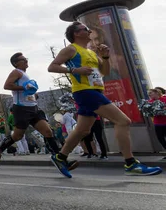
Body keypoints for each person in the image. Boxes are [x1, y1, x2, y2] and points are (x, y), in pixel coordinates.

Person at [48, 22, 162, 177]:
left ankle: (60, 157)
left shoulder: (91, 52)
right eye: (85, 29)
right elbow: (52, 67)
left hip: (95, 90)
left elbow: (105, 72)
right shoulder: (71, 49)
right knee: (123, 121)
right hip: (85, 91)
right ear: (76, 34)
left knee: (83, 129)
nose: (89, 31)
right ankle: (130, 163)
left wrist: (106, 56)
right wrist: (74, 70)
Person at [0, 53, 65, 168]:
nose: (26, 61)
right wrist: (24, 88)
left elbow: (27, 91)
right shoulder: (16, 72)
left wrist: (33, 94)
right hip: (22, 109)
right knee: (17, 136)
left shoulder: (25, 74)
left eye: (26, 59)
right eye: (23, 59)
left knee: (48, 132)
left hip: (33, 108)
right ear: (16, 63)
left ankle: (59, 159)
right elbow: (7, 85)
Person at [148, 88, 166, 158]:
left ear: (157, 93)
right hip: (158, 123)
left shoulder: (164, 99)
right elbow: (149, 112)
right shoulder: (150, 102)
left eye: (151, 93)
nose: (149, 95)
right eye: (149, 94)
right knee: (160, 139)